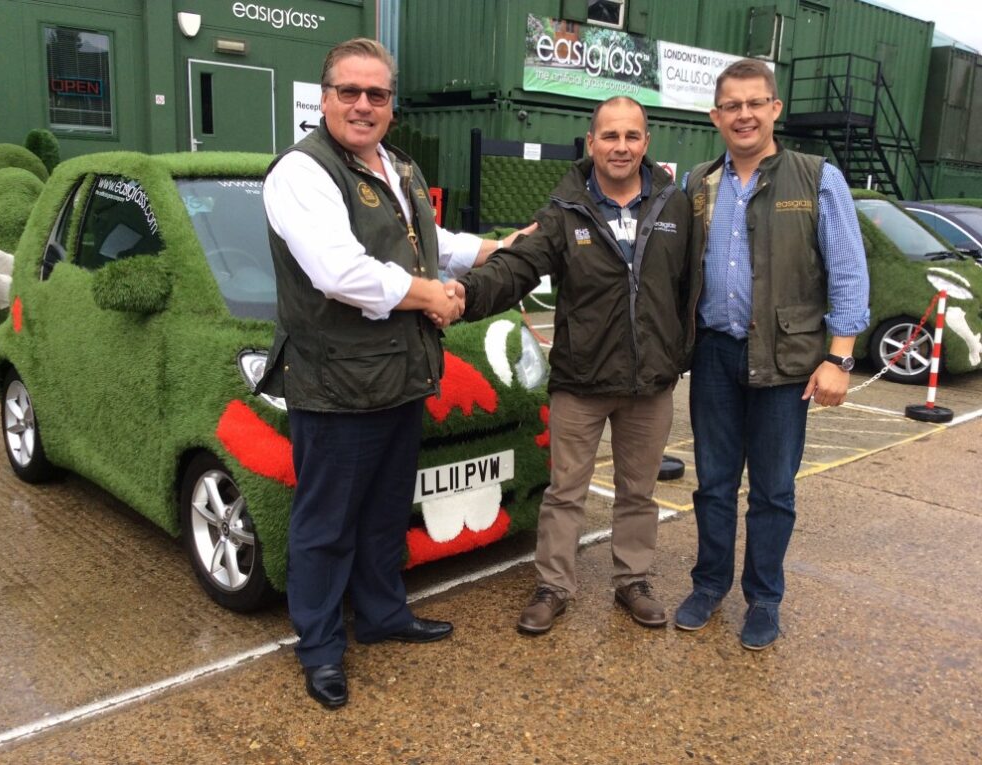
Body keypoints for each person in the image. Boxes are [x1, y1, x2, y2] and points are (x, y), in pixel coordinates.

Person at [258, 38, 533, 709]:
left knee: (383, 512)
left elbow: (431, 243)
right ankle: (321, 648)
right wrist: (431, 295)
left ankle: (382, 615)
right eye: (349, 92)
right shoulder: (301, 174)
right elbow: (339, 272)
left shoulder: (400, 167)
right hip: (336, 384)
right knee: (325, 524)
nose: (362, 104)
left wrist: (496, 248)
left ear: (391, 103)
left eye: (376, 94)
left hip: (400, 377)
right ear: (324, 98)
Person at [455, 96, 696, 634]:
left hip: (650, 382)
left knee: (639, 491)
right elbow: (517, 265)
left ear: (646, 143)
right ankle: (554, 585)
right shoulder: (564, 212)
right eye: (610, 136)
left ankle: (632, 580)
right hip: (581, 381)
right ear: (591, 143)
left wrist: (679, 352)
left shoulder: (674, 206)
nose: (621, 147)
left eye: (632, 136)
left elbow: (691, 287)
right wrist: (464, 296)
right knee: (566, 492)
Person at [674, 59, 870, 650]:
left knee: (773, 490)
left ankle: (764, 598)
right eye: (732, 105)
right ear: (715, 116)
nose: (744, 115)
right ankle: (709, 585)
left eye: (755, 103)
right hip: (714, 356)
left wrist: (839, 358)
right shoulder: (699, 183)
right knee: (712, 483)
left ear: (775, 109)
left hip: (788, 363)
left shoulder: (817, 178)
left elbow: (847, 272)